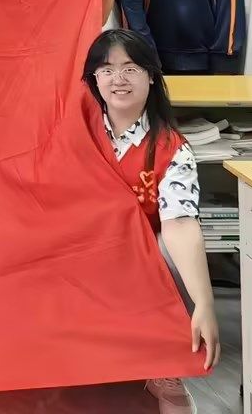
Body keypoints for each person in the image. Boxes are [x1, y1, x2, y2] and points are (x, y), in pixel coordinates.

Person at [82, 29, 219, 371]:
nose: (118, 79)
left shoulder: (171, 148)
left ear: (152, 76)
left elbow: (181, 224)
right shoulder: (78, 135)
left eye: (130, 69)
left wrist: (204, 303)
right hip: (84, 255)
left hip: (140, 259)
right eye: (107, 69)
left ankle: (163, 361)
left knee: (169, 250)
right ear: (94, 79)